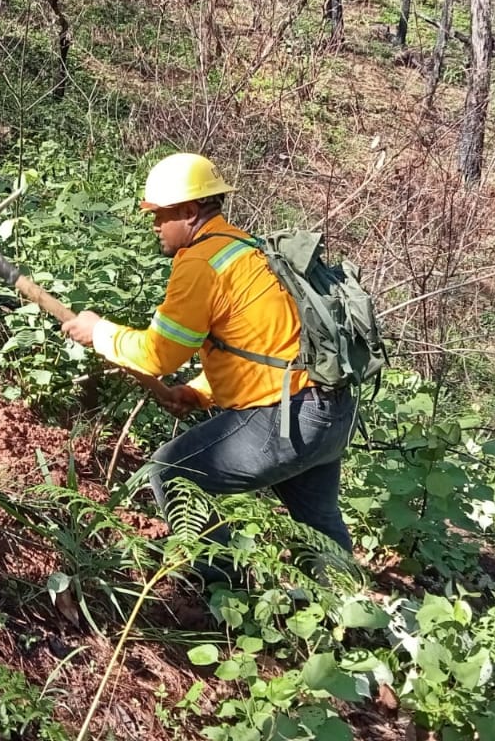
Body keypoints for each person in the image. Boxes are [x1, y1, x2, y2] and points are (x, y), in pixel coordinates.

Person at [61, 152, 356, 574]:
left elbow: (156, 356)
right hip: (329, 412)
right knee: (319, 523)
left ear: (189, 211)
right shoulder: (246, 249)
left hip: (288, 416)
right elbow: (261, 346)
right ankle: (347, 618)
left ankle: (224, 593)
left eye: (161, 215)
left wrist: (100, 332)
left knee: (172, 472)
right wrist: (199, 392)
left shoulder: (202, 263)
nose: (155, 225)